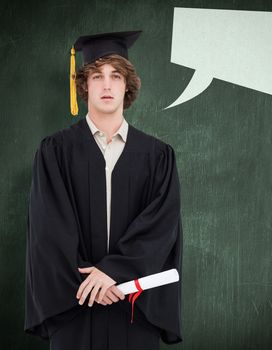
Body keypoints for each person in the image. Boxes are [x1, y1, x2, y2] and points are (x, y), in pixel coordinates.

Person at [24, 31, 183, 350]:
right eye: (97, 76)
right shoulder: (55, 151)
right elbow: (48, 230)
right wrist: (90, 282)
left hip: (136, 307)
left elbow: (162, 227)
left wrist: (113, 273)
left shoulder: (157, 155)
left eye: (116, 75)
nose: (107, 85)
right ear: (83, 86)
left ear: (128, 85)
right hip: (74, 306)